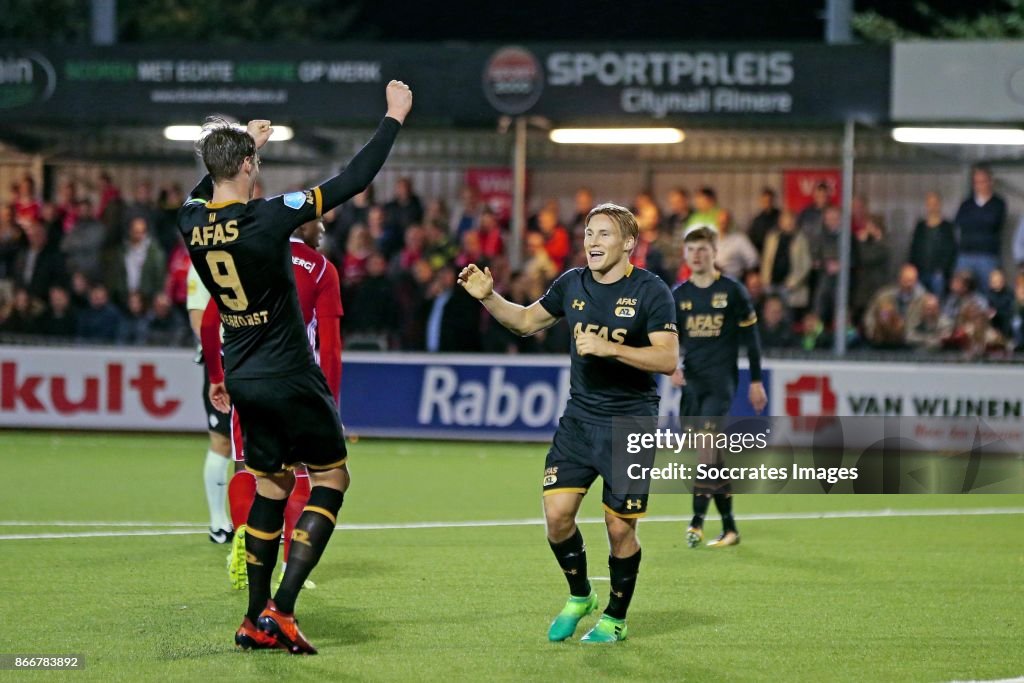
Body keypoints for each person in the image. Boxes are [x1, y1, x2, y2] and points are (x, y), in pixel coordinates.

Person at [180, 80, 411, 654]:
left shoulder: (190, 223)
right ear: (251, 165)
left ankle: (251, 617)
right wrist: (393, 118)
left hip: (243, 375)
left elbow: (202, 193)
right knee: (332, 477)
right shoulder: (269, 218)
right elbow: (353, 180)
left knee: (271, 485)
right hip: (289, 371)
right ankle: (281, 609)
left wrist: (234, 153)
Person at [458, 203, 678, 643]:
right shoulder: (571, 283)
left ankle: (615, 618)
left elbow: (668, 359)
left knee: (619, 528)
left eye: (604, 234)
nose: (592, 242)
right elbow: (523, 321)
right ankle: (581, 596)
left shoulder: (652, 292)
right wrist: (488, 296)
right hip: (578, 419)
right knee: (557, 518)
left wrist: (608, 348)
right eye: (588, 233)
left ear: (629, 243)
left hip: (629, 423)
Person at [203, 218, 343, 594]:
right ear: (305, 228)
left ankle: (242, 540)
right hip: (298, 384)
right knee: (300, 475)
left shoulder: (247, 260)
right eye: (320, 225)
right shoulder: (320, 269)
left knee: (248, 468)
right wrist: (329, 401)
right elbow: (329, 347)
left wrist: (218, 375)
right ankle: (287, 565)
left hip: (248, 381)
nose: (323, 232)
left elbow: (209, 321)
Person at [671, 226, 767, 549]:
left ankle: (696, 522)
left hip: (721, 385)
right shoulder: (679, 296)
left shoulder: (733, 292)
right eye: (691, 250)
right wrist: (670, 366)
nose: (697, 255)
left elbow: (751, 340)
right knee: (712, 459)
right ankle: (730, 528)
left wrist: (756, 381)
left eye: (703, 249)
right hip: (692, 387)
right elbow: (666, 338)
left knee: (706, 451)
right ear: (685, 255)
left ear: (715, 252)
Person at [185, 265, 234, 543]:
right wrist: (217, 350)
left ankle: (258, 520)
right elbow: (197, 315)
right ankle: (218, 522)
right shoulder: (200, 263)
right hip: (223, 360)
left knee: (259, 441)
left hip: (254, 357)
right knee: (221, 441)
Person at [954, 165, 1005, 292]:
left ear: (990, 182)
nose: (979, 185)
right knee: (961, 290)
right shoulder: (966, 204)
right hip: (966, 254)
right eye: (976, 182)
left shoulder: (998, 204)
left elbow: (993, 223)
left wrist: (975, 221)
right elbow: (960, 223)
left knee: (988, 291)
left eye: (982, 181)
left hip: (987, 256)